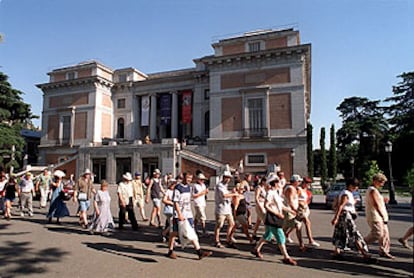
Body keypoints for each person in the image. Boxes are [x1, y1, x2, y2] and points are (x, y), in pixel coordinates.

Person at [251, 175, 297, 265]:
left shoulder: (276, 193)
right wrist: (277, 214)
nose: (279, 184)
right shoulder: (270, 193)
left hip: (275, 216)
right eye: (278, 182)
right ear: (274, 183)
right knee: (280, 236)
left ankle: (256, 249)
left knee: (268, 234)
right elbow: (266, 205)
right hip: (273, 217)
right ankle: (286, 257)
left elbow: (281, 206)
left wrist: (290, 210)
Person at [166, 172, 212, 260]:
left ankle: (199, 252)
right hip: (179, 214)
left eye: (191, 179)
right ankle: (170, 251)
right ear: (183, 178)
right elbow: (175, 202)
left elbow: (192, 197)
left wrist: (203, 193)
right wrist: (179, 214)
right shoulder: (178, 188)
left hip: (188, 214)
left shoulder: (189, 187)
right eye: (188, 178)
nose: (189, 180)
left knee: (192, 232)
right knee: (175, 233)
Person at [331, 178, 374, 261]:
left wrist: (353, 203)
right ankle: (364, 253)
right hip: (346, 216)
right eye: (355, 186)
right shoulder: (346, 194)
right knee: (354, 233)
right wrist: (336, 217)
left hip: (344, 215)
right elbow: (341, 206)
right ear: (350, 185)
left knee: (340, 233)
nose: (356, 188)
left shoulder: (348, 193)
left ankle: (337, 251)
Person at [364, 173, 394, 259]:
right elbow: (375, 204)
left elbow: (378, 202)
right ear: (375, 181)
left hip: (380, 215)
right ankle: (361, 242)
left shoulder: (375, 190)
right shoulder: (372, 190)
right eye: (381, 181)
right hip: (375, 216)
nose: (382, 184)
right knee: (377, 233)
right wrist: (381, 214)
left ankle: (384, 251)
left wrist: (383, 201)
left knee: (385, 234)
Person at [287, 176, 320, 247]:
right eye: (307, 183)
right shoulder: (299, 189)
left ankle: (287, 234)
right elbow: (295, 198)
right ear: (303, 182)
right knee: (307, 222)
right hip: (300, 209)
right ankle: (310, 240)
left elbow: (307, 199)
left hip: (305, 209)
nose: (308, 184)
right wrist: (298, 205)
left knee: (296, 225)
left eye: (309, 183)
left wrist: (306, 203)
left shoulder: (307, 190)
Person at [214, 170, 239, 248]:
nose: (228, 180)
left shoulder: (225, 186)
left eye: (229, 178)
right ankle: (217, 240)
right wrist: (234, 193)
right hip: (221, 209)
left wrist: (232, 192)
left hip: (227, 209)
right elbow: (224, 195)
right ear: (223, 178)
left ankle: (228, 239)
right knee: (219, 225)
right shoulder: (219, 185)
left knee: (232, 224)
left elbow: (228, 194)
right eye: (227, 178)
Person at [283, 174, 305, 251]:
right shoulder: (290, 189)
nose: (299, 183)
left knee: (287, 227)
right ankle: (301, 245)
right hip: (289, 211)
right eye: (298, 181)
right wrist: (294, 210)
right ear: (295, 181)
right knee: (296, 226)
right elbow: (290, 200)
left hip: (291, 211)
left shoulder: (294, 188)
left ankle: (300, 244)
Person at [162, 178, 177, 242]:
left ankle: (165, 234)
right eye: (172, 184)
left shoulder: (176, 191)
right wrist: (171, 203)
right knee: (172, 225)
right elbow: (164, 200)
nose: (173, 186)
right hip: (169, 210)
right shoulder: (168, 191)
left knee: (172, 224)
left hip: (175, 210)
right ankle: (169, 238)